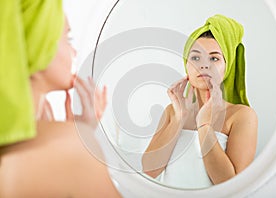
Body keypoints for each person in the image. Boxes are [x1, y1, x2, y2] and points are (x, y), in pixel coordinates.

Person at [0, 1, 121, 197]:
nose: (74, 52)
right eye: (68, 38)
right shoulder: (70, 148)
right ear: (37, 49)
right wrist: (82, 136)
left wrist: (82, 130)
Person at [142, 14, 258, 189]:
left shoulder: (241, 116)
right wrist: (179, 118)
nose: (204, 65)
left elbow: (233, 186)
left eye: (214, 58)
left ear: (227, 66)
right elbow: (149, 170)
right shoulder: (172, 111)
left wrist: (204, 126)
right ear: (186, 64)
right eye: (196, 58)